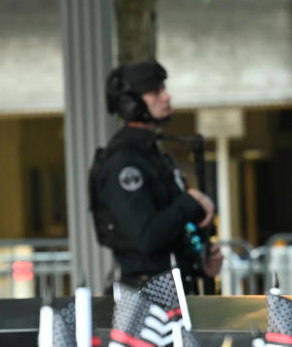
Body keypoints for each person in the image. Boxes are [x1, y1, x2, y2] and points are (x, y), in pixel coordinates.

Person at [90, 59, 222, 293]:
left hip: (173, 294)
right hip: (146, 302)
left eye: (164, 89)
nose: (166, 97)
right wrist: (190, 203)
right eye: (155, 91)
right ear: (131, 103)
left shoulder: (153, 155)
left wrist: (201, 262)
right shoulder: (124, 163)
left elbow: (171, 233)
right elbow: (146, 237)